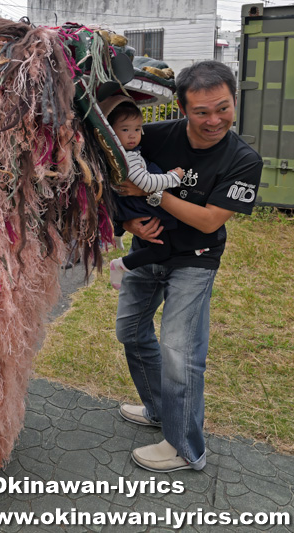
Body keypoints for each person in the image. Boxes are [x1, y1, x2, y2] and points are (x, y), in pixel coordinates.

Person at [114, 61, 262, 473]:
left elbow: (210, 219)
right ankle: (160, 411)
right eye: (201, 111)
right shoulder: (154, 138)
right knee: (130, 331)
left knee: (181, 352)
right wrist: (126, 220)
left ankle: (185, 448)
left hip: (196, 260)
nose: (214, 120)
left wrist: (153, 193)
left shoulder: (243, 159)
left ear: (235, 101)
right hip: (149, 251)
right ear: (181, 107)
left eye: (223, 108)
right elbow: (116, 178)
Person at [103, 97, 184, 289]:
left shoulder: (119, 153)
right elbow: (146, 184)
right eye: (125, 129)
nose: (133, 135)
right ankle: (121, 265)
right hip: (142, 207)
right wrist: (174, 177)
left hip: (131, 206)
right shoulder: (129, 157)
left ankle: (117, 236)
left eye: (137, 129)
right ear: (111, 132)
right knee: (162, 250)